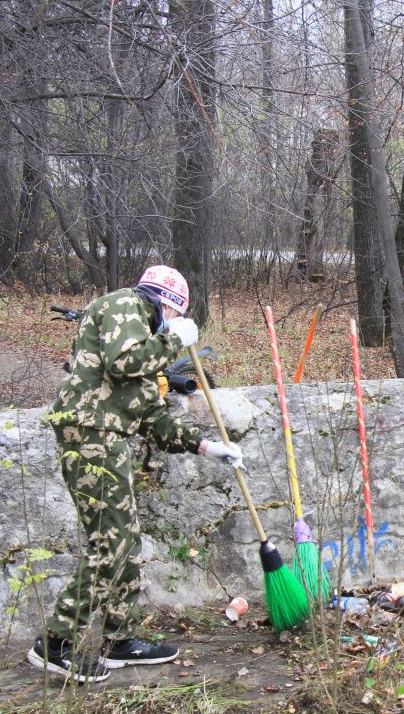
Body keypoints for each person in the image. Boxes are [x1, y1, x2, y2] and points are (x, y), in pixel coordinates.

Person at [28, 265, 245, 683]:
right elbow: (124, 361)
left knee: (123, 540)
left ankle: (118, 639)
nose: (172, 325)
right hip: (89, 435)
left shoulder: (145, 342)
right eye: (174, 316)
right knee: (109, 542)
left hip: (108, 438)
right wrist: (172, 339)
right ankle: (55, 642)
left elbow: (153, 419)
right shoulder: (125, 305)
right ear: (165, 305)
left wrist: (206, 447)